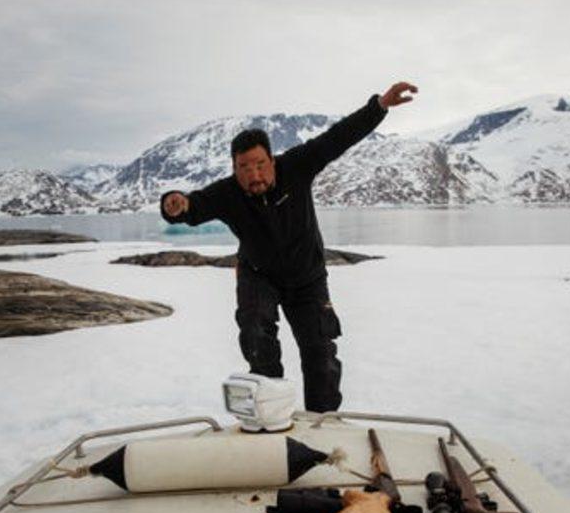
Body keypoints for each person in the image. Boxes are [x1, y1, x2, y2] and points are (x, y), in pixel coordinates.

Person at [160, 82, 418, 413]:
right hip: (258, 277)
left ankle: (321, 424)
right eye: (244, 167)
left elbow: (338, 137)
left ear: (272, 159)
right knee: (257, 337)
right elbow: (192, 206)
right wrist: (174, 204)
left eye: (259, 164)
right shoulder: (228, 193)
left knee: (321, 357)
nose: (253, 174)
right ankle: (271, 416)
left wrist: (379, 106)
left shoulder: (297, 166)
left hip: (307, 278)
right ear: (234, 168)